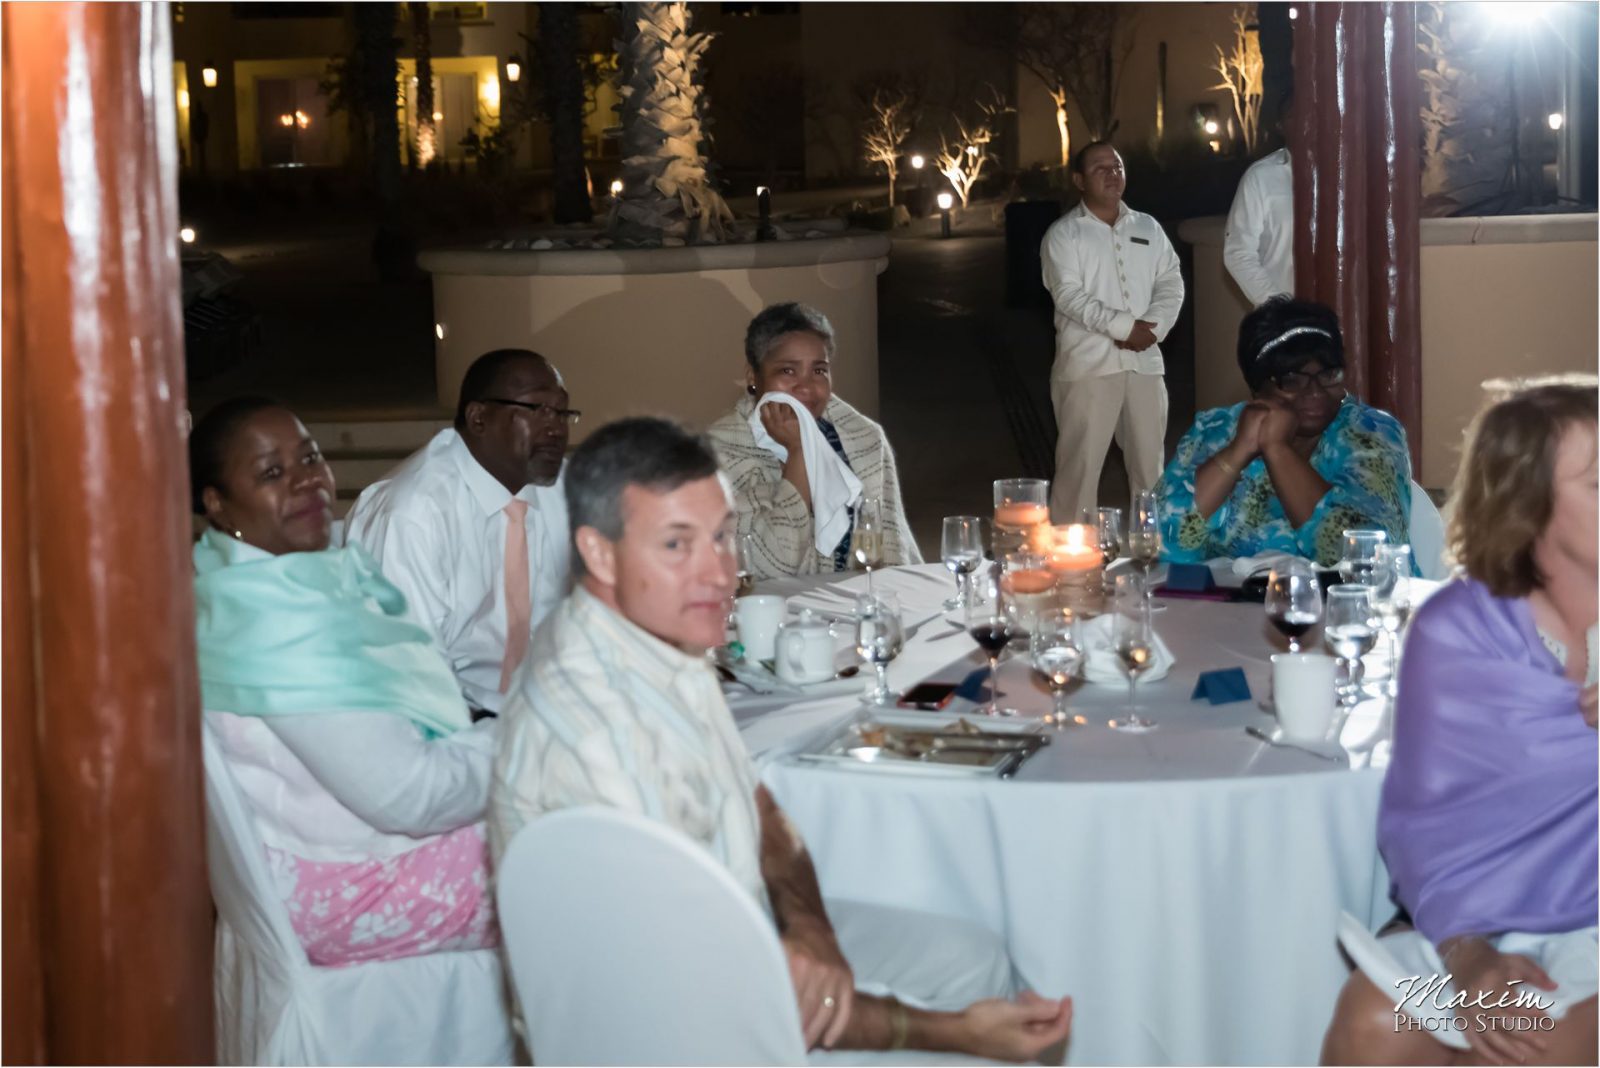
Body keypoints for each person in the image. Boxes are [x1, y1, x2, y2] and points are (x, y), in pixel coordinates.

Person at [490, 417, 1073, 1061]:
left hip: (727, 936)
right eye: (677, 545)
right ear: (599, 553)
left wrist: (811, 930)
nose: (719, 573)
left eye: (723, 536)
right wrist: (955, 1033)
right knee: (965, 1024)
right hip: (658, 1030)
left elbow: (757, 804)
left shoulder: (652, 639)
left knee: (969, 958)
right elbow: (711, 996)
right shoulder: (595, 737)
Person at [1321, 378, 1598, 1066]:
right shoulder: (1459, 629)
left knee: (1525, 1039)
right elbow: (1424, 824)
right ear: (1529, 507)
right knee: (1374, 1017)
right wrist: (1468, 955)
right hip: (1485, 924)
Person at [191, 397, 500, 965]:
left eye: (310, 457)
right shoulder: (273, 626)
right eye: (272, 472)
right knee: (601, 866)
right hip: (352, 882)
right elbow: (412, 797)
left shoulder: (261, 582)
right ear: (217, 503)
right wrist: (537, 738)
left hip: (347, 844)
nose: (307, 481)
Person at [345, 349, 575, 717]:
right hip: (451, 718)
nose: (555, 427)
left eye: (562, 412)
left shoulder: (566, 489)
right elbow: (413, 678)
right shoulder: (413, 515)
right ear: (479, 417)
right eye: (536, 410)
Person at [1156, 297, 1410, 566]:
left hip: (1340, 604)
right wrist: (1238, 452)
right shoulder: (1215, 430)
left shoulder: (1371, 433)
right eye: (1292, 380)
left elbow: (1364, 556)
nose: (1314, 391)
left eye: (1328, 374)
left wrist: (1278, 450)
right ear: (1257, 389)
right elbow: (1160, 542)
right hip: (1224, 602)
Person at [706, 302, 921, 581]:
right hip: (769, 608)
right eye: (788, 371)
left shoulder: (862, 438)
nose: (806, 387)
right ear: (753, 377)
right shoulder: (719, 452)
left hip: (856, 603)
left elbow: (889, 548)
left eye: (818, 371)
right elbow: (773, 564)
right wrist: (798, 451)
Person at [1040, 140, 1186, 522]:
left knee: (1150, 473)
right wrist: (1123, 327)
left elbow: (1171, 280)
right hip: (1088, 367)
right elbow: (1068, 295)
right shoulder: (1064, 234)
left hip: (1144, 364)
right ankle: (1070, 565)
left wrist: (1152, 328)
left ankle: (1152, 555)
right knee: (1080, 471)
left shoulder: (1147, 227)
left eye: (1117, 166)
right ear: (1079, 180)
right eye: (1100, 168)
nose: (1112, 174)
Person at [1223, 89, 1294, 307]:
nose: (1307, 121)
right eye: (1295, 114)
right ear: (1280, 125)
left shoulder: (1346, 176)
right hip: (1284, 321)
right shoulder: (1261, 177)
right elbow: (1238, 253)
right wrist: (1279, 307)